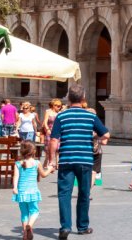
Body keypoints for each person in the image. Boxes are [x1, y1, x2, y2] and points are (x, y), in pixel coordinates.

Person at [49, 84, 109, 239]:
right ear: (83, 98)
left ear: (68, 98)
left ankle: (65, 227)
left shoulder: (61, 116)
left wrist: (51, 160)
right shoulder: (90, 116)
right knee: (84, 193)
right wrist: (96, 139)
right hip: (85, 160)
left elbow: (54, 140)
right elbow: (106, 135)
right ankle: (82, 227)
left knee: (64, 194)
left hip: (66, 160)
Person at [12, 140, 53, 240]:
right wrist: (50, 169)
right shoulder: (36, 163)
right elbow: (43, 174)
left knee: (24, 213)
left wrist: (15, 187)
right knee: (34, 211)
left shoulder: (18, 163)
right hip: (32, 192)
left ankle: (25, 235)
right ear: (34, 151)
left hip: (21, 192)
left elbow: (15, 176)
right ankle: (29, 226)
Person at [42, 100, 63, 168]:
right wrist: (47, 129)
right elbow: (45, 122)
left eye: (60, 106)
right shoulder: (48, 112)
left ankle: (57, 164)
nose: (59, 108)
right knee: (49, 148)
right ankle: (46, 162)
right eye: (57, 106)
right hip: (50, 131)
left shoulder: (60, 113)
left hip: (57, 131)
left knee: (58, 148)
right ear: (53, 105)